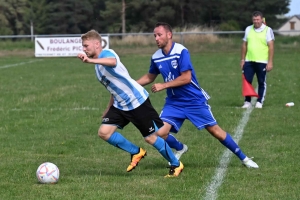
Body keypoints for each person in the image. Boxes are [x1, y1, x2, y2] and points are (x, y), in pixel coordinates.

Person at [137, 22, 259, 168]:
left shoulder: (181, 51)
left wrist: (163, 85)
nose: (156, 38)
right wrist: (130, 85)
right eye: (154, 36)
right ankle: (180, 148)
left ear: (169, 35)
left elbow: (186, 78)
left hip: (193, 101)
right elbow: (150, 77)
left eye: (159, 35)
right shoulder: (156, 57)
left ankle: (244, 158)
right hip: (174, 102)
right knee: (159, 133)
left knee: (216, 131)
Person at [77, 29, 183, 177]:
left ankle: (176, 164)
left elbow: (112, 62)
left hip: (136, 102)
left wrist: (90, 60)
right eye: (83, 46)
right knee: (104, 132)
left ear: (97, 44)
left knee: (151, 137)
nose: (84, 49)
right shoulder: (97, 67)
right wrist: (108, 108)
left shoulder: (107, 54)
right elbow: (113, 88)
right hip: (120, 105)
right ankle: (136, 152)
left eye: (86, 45)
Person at [240, 11, 275, 108]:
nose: (256, 21)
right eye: (254, 20)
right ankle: (247, 101)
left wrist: (270, 62)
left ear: (261, 19)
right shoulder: (248, 29)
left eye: (258, 19)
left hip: (262, 61)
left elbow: (271, 47)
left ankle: (260, 101)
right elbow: (244, 45)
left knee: (261, 81)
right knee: (247, 81)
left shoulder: (268, 30)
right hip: (249, 60)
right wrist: (242, 59)